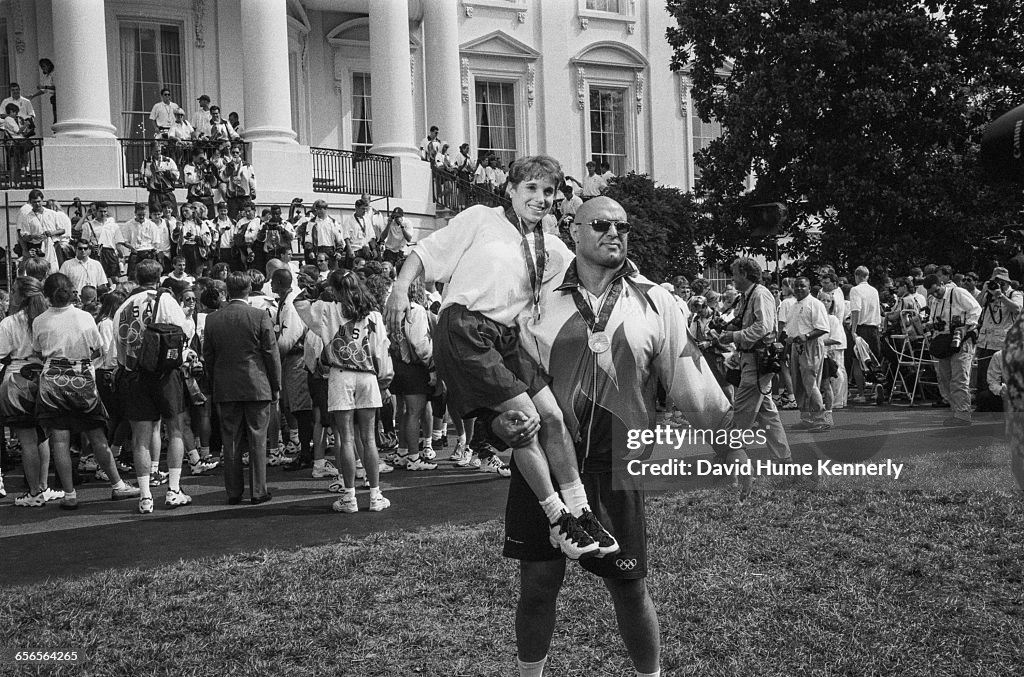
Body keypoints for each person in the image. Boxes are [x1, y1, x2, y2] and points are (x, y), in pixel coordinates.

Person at [489, 196, 743, 677]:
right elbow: (506, 370)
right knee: (538, 581)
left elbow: (692, 380)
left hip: (617, 467)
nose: (614, 233)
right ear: (574, 229)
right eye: (601, 224)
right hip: (545, 465)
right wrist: (498, 422)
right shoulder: (535, 297)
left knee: (629, 586)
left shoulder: (656, 300)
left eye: (622, 225)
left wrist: (728, 440)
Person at [385, 155, 618, 560]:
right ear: (510, 190)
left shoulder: (549, 245)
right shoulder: (480, 218)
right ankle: (557, 519)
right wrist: (401, 287)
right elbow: (425, 252)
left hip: (509, 337)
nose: (541, 198)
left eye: (548, 191)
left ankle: (580, 510)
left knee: (554, 416)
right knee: (525, 422)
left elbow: (589, 265)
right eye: (531, 188)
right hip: (465, 329)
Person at [33, 273, 140, 509]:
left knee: (59, 439)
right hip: (81, 375)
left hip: (52, 377)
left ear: (47, 294)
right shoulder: (84, 317)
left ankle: (69, 494)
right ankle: (117, 485)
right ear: (71, 292)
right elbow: (97, 349)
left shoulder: (40, 320)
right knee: (96, 434)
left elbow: (38, 351)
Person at [296, 270, 393, 512]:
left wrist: (318, 285)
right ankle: (375, 495)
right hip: (368, 375)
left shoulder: (327, 309)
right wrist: (382, 379)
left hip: (341, 375)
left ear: (336, 289)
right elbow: (381, 350)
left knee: (346, 438)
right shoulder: (373, 315)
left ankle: (349, 496)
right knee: (369, 438)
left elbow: (299, 303)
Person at [113, 259, 196, 513]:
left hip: (134, 374)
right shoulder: (165, 299)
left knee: (140, 438)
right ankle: (173, 489)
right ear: (159, 277)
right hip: (164, 373)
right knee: (175, 430)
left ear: (136, 278)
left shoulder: (123, 307)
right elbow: (185, 332)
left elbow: (118, 346)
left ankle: (145, 496)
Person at [203, 271, 281, 504]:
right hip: (256, 383)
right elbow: (271, 354)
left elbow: (208, 356)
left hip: (226, 386)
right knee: (258, 438)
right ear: (249, 290)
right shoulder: (259, 316)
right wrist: (275, 385)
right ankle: (259, 490)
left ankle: (233, 491)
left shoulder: (213, 319)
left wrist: (215, 381)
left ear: (227, 290)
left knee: (231, 439)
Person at [2, 277, 58, 506]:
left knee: (27, 439)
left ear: (21, 295)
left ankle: (34, 491)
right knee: (43, 436)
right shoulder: (48, 319)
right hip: (45, 376)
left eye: (14, 290)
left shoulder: (9, 323)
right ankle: (42, 486)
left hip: (17, 377)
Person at [923, 273, 981, 426]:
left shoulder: (958, 293)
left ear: (942, 283)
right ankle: (956, 412)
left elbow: (976, 310)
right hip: (943, 342)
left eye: (937, 290)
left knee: (959, 378)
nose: (936, 294)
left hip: (961, 341)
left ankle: (963, 415)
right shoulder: (934, 300)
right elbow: (934, 319)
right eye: (932, 293)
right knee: (945, 379)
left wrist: (966, 327)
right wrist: (930, 325)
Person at [786, 277, 831, 432]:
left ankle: (820, 418)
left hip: (809, 344)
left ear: (809, 287)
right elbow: (790, 328)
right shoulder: (793, 305)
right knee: (798, 383)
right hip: (795, 345)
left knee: (810, 382)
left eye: (802, 286)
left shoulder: (815, 304)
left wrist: (806, 337)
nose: (799, 289)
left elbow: (823, 328)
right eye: (796, 286)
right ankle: (806, 418)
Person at [974, 267, 1022, 401]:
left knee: (1000, 375)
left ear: (1007, 283)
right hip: (985, 341)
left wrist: (1001, 296)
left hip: (1003, 343)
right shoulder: (988, 295)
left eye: (1001, 282)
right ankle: (982, 402)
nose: (998, 285)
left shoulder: (1014, 294)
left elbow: (1017, 308)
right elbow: (974, 306)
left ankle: (1002, 403)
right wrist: (985, 289)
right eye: (995, 281)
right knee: (983, 375)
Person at [18, 190, 65, 273]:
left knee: (55, 271)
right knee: (39, 272)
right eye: (34, 202)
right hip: (37, 248)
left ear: (42, 200)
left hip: (54, 246)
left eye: (39, 201)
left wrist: (51, 233)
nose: (37, 204)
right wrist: (33, 236)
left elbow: (62, 230)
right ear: (30, 202)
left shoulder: (52, 214)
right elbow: (24, 236)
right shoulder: (27, 217)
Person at [141, 141, 179, 215]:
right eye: (156, 151)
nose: (158, 153)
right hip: (154, 193)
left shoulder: (168, 160)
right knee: (155, 215)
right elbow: (144, 176)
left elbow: (176, 176)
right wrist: (153, 172)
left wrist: (165, 171)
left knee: (172, 215)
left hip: (167, 192)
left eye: (159, 151)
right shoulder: (146, 162)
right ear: (151, 151)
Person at [28, 58, 56, 124]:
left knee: (56, 117)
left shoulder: (54, 74)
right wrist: (34, 96)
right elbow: (44, 90)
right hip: (53, 98)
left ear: (49, 65)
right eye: (42, 67)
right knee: (54, 117)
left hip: (57, 97)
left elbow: (56, 87)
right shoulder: (48, 76)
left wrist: (44, 87)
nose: (43, 69)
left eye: (44, 66)